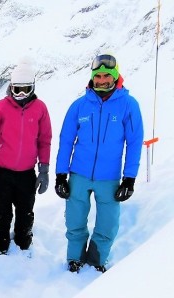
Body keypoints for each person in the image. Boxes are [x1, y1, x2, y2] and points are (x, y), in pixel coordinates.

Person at [54, 54, 144, 272]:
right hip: (79, 174)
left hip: (110, 178)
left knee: (108, 223)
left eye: (106, 76)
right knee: (75, 220)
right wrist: (60, 175)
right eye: (98, 76)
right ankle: (74, 258)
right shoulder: (79, 106)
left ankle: (96, 260)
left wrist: (129, 179)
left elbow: (134, 142)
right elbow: (66, 141)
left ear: (115, 76)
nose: (102, 80)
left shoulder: (128, 105)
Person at [0, 60, 53, 254]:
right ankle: (0, 245)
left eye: (26, 89)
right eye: (17, 89)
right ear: (10, 87)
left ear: (33, 88)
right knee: (2, 212)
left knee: (25, 212)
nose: (20, 94)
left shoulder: (40, 109)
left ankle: (23, 243)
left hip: (26, 173)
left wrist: (43, 169)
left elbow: (45, 140)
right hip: (2, 172)